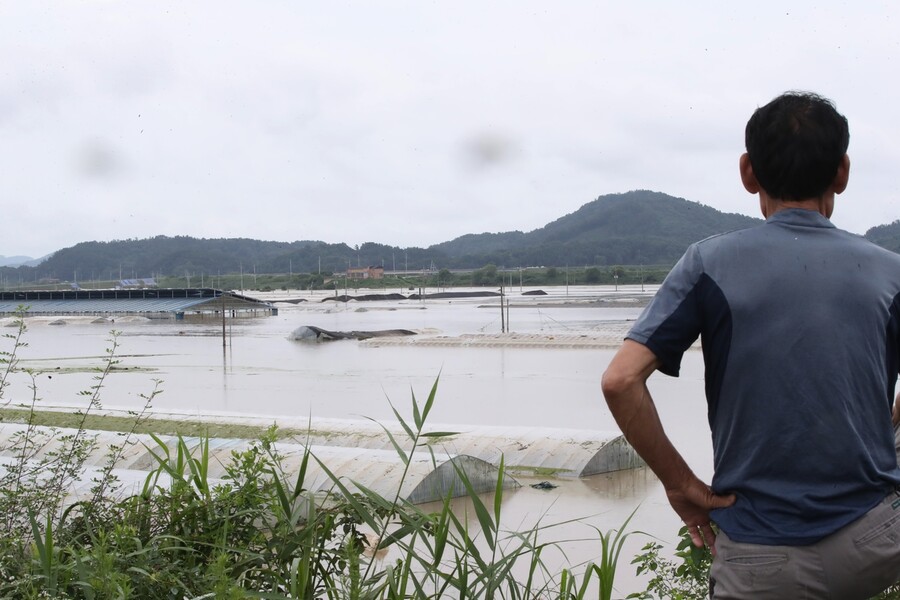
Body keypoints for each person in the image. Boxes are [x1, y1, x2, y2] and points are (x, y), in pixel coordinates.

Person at [601, 91, 900, 599]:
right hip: (879, 542)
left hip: (762, 557)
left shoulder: (709, 264)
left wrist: (681, 485)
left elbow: (621, 381)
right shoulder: (891, 271)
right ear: (842, 172)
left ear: (748, 172)